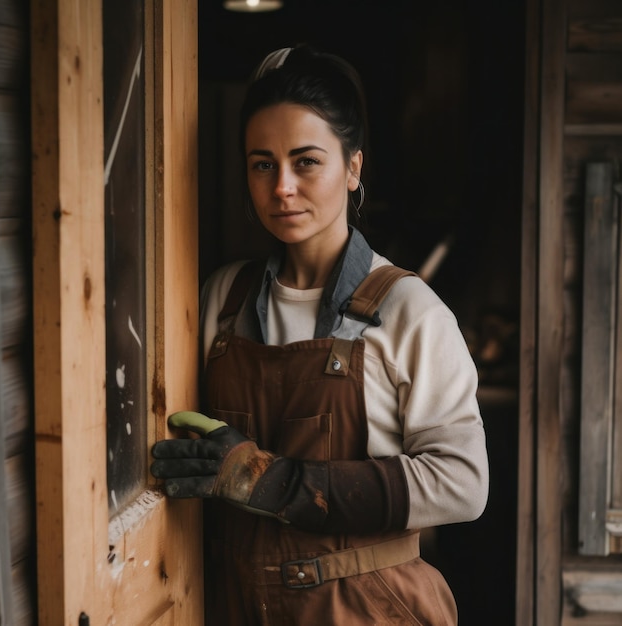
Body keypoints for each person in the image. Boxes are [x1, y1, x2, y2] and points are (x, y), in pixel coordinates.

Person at [151, 44, 489, 625]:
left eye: (306, 161)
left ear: (353, 166)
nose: (282, 186)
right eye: (263, 163)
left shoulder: (410, 311)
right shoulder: (222, 300)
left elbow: (463, 484)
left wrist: (273, 481)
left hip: (363, 609)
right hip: (237, 606)